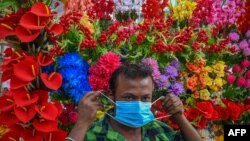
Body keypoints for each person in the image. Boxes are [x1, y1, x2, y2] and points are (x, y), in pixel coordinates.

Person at [67, 64, 202, 141]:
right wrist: (82, 123)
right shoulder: (92, 134)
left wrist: (179, 116)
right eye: (129, 98)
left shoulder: (159, 130)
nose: (138, 105)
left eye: (145, 98)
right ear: (112, 97)